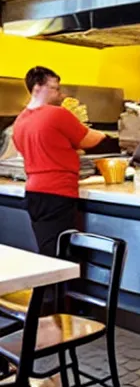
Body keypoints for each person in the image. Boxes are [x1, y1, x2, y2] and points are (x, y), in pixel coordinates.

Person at [13, 67, 106, 257]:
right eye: (55, 88)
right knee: (59, 255)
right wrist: (105, 135)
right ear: (38, 88)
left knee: (48, 250)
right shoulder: (56, 114)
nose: (60, 94)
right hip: (58, 192)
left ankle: (47, 287)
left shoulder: (20, 121)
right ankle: (55, 287)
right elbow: (89, 140)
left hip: (34, 192)